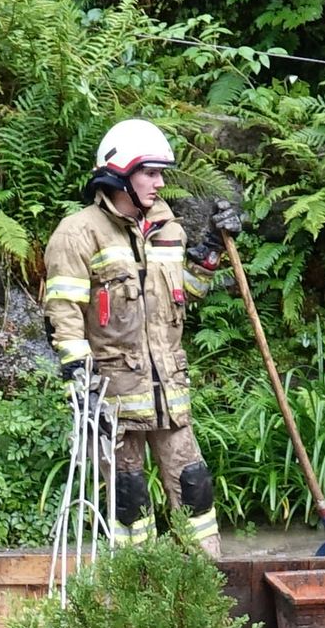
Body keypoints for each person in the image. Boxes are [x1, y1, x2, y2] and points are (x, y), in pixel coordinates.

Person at [40, 117, 222, 554]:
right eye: (151, 173)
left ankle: (203, 594)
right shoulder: (78, 233)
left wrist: (210, 253)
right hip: (115, 399)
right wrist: (79, 378)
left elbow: (182, 296)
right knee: (129, 501)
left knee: (196, 490)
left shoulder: (167, 229)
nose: (161, 184)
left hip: (170, 394)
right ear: (120, 172)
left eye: (162, 173)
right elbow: (62, 312)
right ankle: (134, 598)